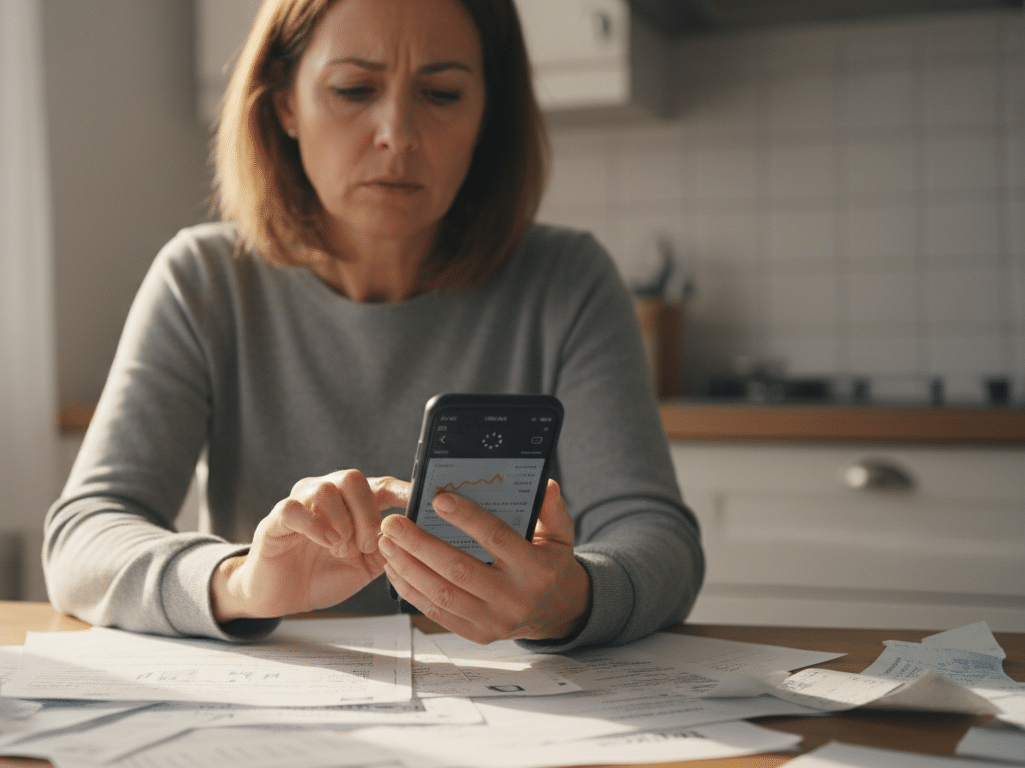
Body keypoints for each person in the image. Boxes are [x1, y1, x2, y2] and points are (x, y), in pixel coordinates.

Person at [43, 0, 703, 651]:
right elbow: (84, 533)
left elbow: (657, 538)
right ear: (285, 104)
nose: (397, 134)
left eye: (441, 94)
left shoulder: (568, 280)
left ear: (488, 115)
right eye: (354, 90)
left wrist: (568, 600)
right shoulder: (202, 279)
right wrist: (240, 582)